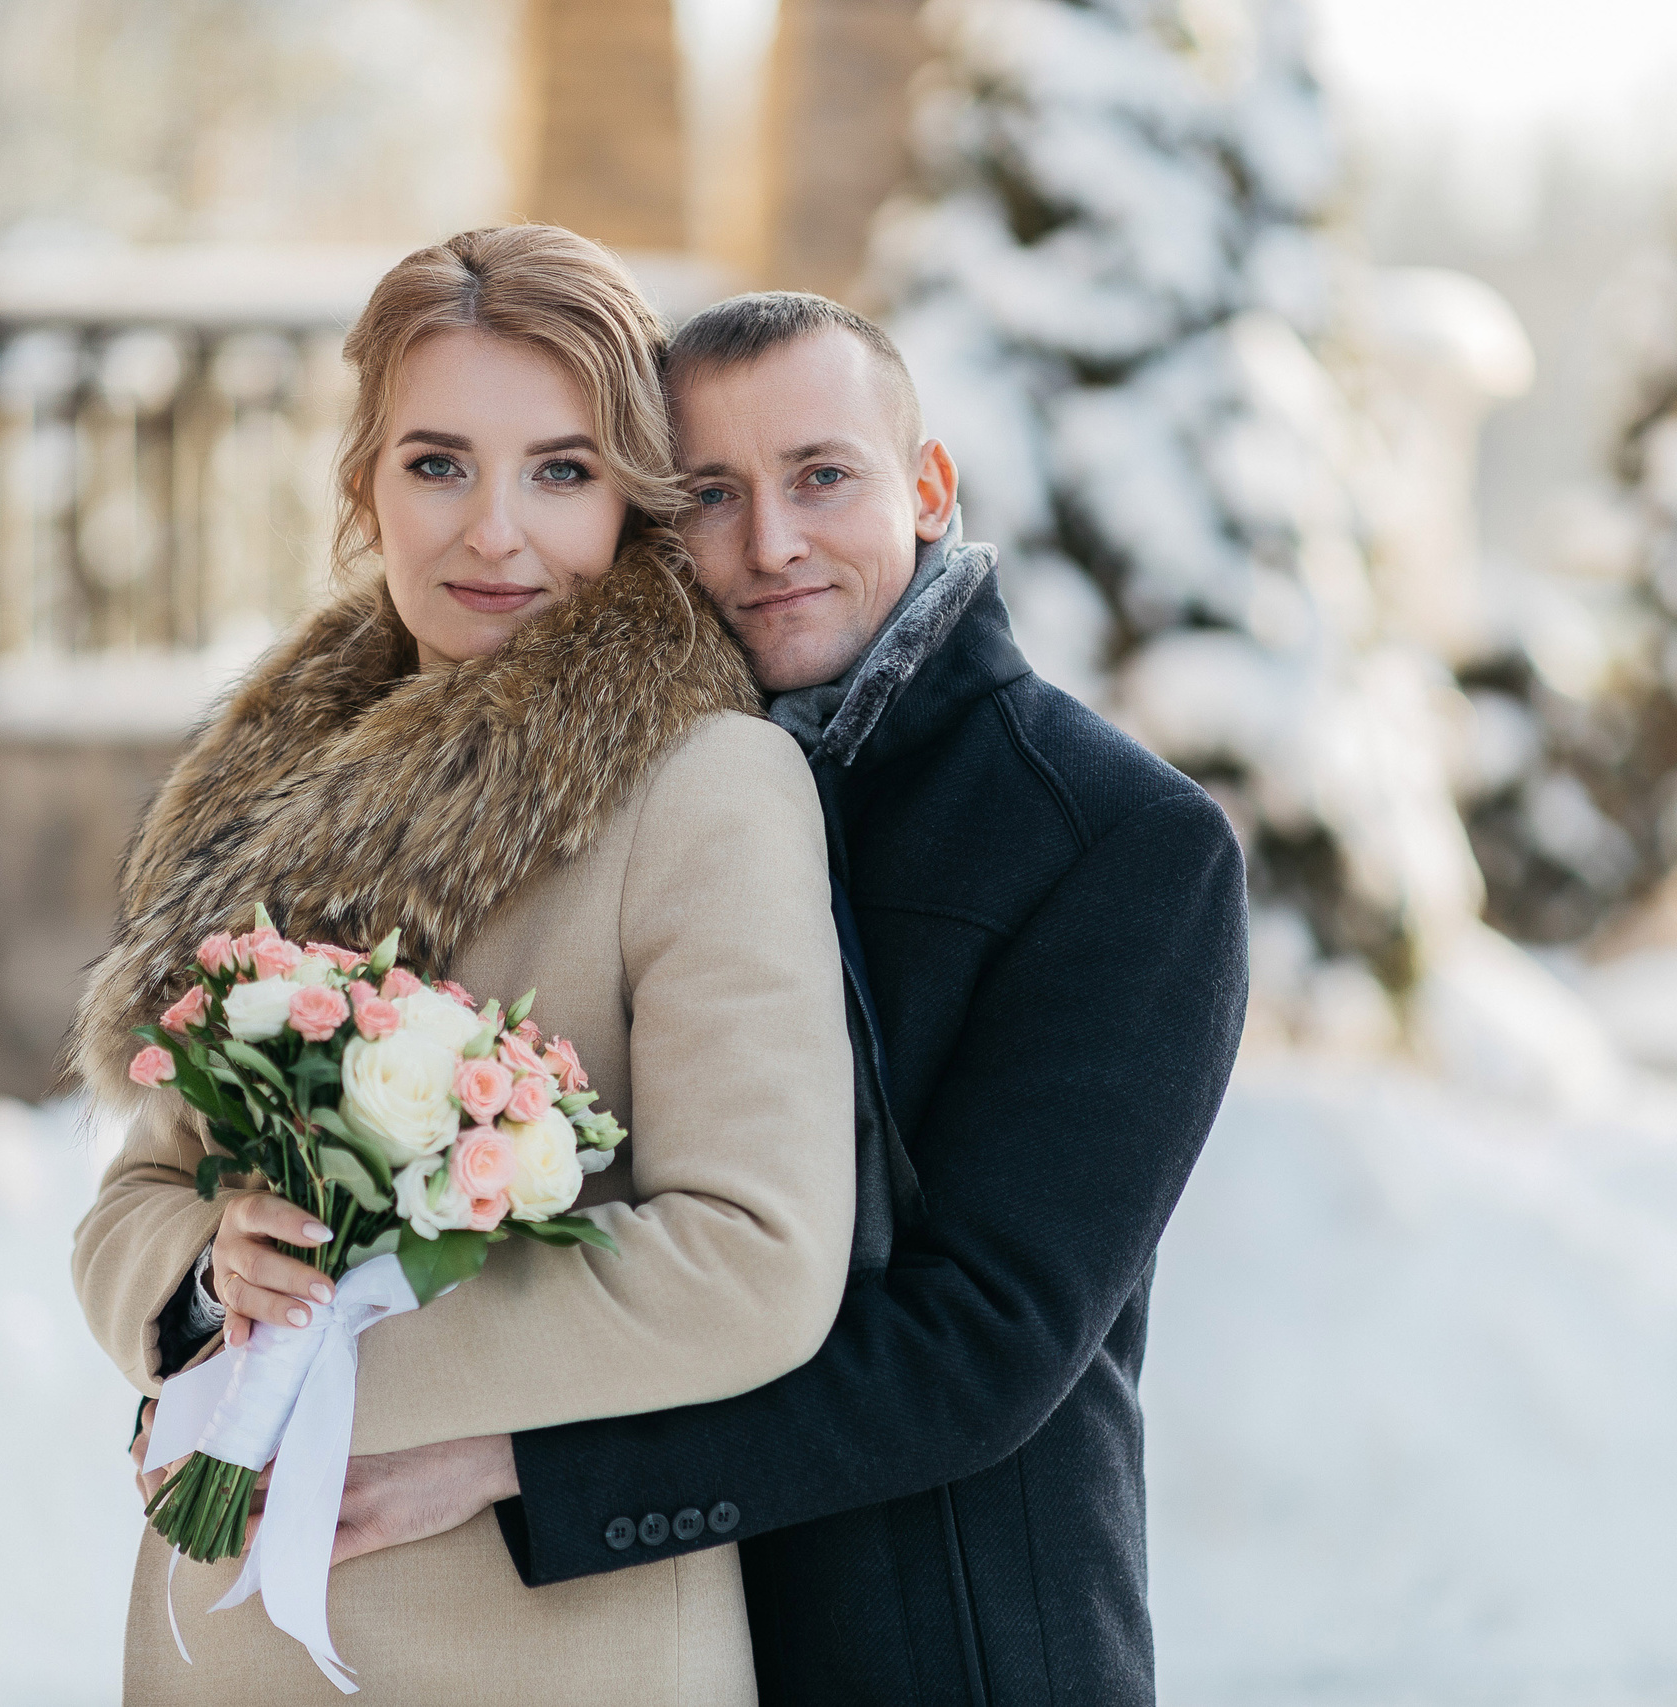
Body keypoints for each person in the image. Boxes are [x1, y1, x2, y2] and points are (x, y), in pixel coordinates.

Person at [244, 291, 1254, 1703]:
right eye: (712, 493)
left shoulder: (1114, 841)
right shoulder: (612, 790)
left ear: (928, 486)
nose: (770, 544)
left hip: (941, 1645)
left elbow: (990, 1341)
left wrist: (526, 1461)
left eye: (823, 477)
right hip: (657, 1643)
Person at [70, 229, 856, 1706]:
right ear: (365, 483)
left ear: (632, 497)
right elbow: (136, 1201)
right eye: (439, 464)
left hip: (542, 1651)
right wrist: (204, 1283)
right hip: (222, 1641)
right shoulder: (281, 783)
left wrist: (318, 1351)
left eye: (559, 472)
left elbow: (758, 1257)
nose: (495, 531)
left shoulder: (709, 786)